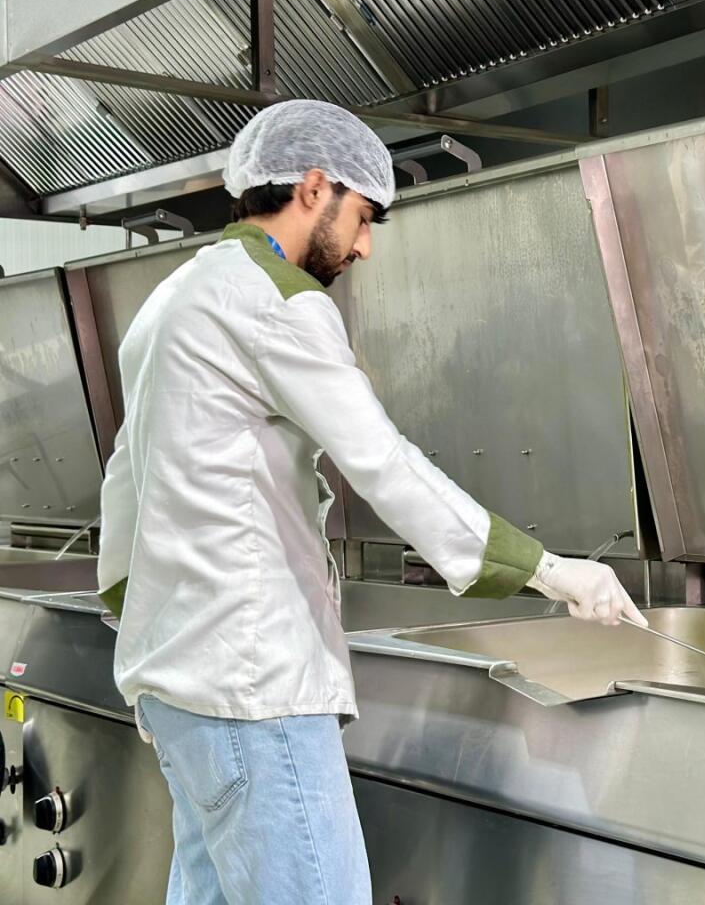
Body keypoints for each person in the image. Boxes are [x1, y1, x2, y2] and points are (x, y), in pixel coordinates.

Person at [96, 99, 646, 905]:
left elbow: (125, 478)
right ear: (314, 187)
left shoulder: (173, 298)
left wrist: (136, 610)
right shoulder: (275, 301)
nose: (363, 245)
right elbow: (384, 462)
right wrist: (554, 573)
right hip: (255, 693)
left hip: (180, 686)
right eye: (364, 216)